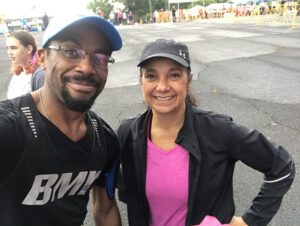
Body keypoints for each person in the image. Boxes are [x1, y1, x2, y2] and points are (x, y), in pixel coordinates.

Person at [117, 39, 295, 226]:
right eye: (151, 76)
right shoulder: (128, 133)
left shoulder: (218, 130)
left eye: (174, 75)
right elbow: (112, 178)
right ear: (141, 82)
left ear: (189, 81)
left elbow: (282, 166)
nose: (162, 87)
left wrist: (249, 222)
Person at [0, 11, 122, 226]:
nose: (86, 67)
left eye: (100, 57)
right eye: (70, 51)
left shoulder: (106, 141)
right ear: (44, 58)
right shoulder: (9, 129)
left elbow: (105, 209)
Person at [6, 31, 45, 99]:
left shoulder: (40, 75)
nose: (9, 52)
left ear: (29, 49)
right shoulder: (19, 72)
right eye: (8, 48)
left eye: (13, 48)